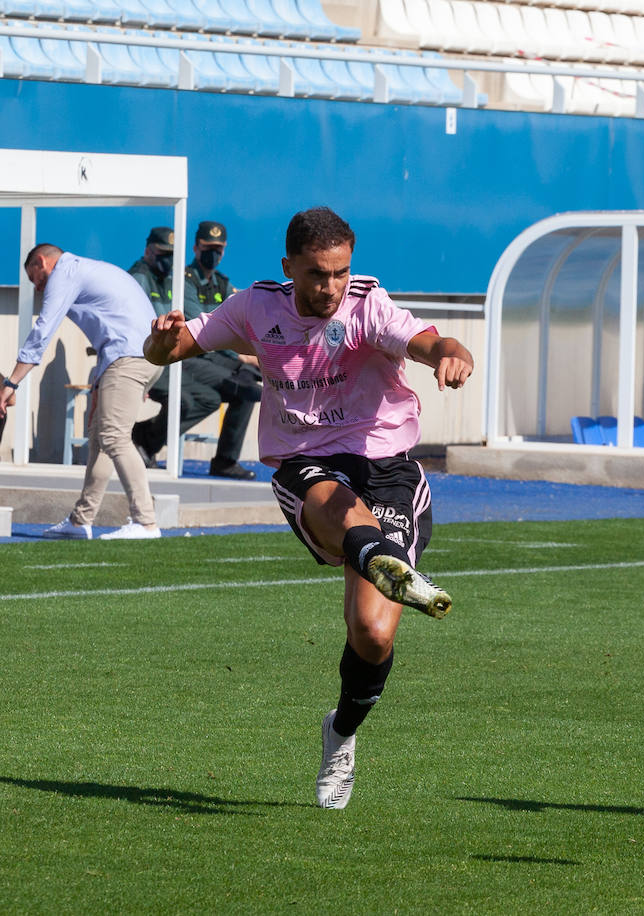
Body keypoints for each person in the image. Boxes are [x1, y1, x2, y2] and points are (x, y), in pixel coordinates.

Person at [143, 206, 474, 810]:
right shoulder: (255, 306)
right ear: (289, 267)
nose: (330, 287)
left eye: (340, 272)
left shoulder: (368, 305)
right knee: (339, 507)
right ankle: (381, 557)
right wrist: (161, 343)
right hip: (308, 464)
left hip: (388, 469)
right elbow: (172, 347)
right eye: (317, 274)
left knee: (372, 634)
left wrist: (453, 353)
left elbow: (430, 341)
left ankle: (341, 734)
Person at [1, 245, 165, 539]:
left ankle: (146, 521)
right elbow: (113, 326)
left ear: (42, 262)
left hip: (129, 356)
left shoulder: (65, 273)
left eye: (34, 277)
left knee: (113, 437)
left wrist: (11, 383)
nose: (35, 286)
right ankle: (81, 520)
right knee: (100, 439)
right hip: (136, 355)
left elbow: (43, 330)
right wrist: (99, 385)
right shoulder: (88, 269)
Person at [131, 220, 262, 480]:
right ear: (196, 247)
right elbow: (202, 325)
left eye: (218, 248)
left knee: (250, 384)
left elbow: (236, 321)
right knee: (242, 389)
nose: (213, 254)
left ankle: (223, 459)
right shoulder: (176, 280)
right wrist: (242, 356)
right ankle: (147, 438)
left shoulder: (220, 283)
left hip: (210, 355)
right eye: (207, 247)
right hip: (193, 355)